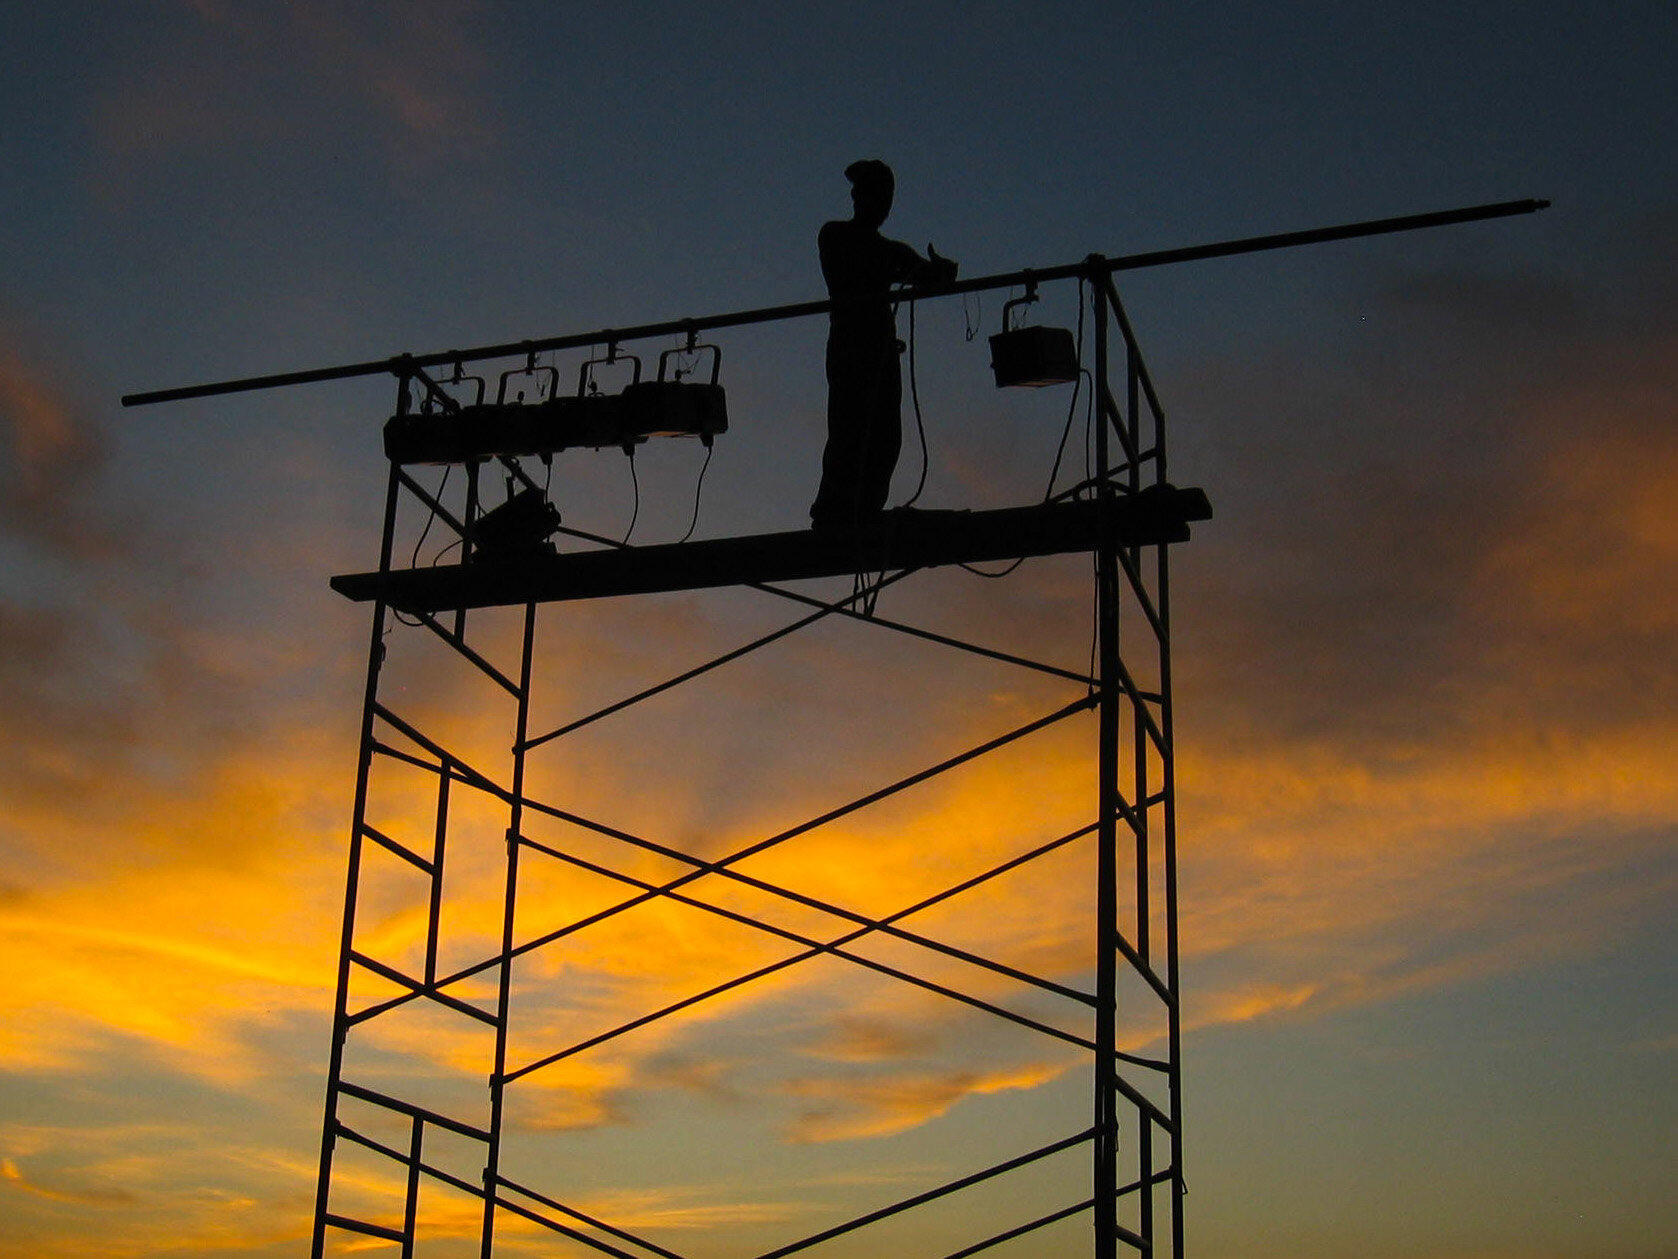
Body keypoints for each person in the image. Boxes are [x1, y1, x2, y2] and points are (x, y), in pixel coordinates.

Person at [809, 160, 958, 531]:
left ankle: (865, 508)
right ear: (858, 197)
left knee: (885, 434)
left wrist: (942, 271)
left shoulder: (890, 251)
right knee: (849, 427)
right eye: (875, 194)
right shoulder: (836, 235)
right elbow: (858, 269)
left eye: (887, 197)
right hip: (852, 346)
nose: (882, 204)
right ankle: (834, 509)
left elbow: (926, 276)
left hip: (881, 350)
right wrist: (914, 270)